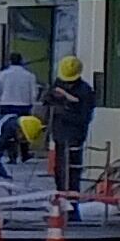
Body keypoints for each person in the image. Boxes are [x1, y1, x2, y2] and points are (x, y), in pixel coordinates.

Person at [43, 55, 98, 193]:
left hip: (74, 138)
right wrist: (52, 99)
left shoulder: (85, 91)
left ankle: (72, 207)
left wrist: (64, 110)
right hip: (59, 137)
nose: (67, 84)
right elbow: (46, 99)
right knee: (60, 172)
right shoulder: (59, 84)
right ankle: (61, 202)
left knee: (72, 173)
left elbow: (84, 118)